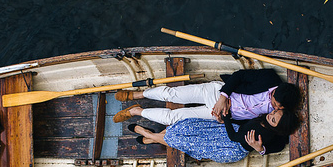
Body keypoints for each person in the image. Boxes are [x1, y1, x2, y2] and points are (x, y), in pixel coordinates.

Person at [113, 68, 301, 125]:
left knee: (174, 118)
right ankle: (137, 94)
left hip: (221, 114)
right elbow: (239, 76)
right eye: (274, 100)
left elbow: (252, 123)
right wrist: (223, 98)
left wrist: (225, 119)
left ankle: (136, 111)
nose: (273, 106)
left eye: (277, 106)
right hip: (218, 93)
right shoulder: (269, 78)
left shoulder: (279, 112)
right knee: (173, 94)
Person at [129, 108, 299, 163]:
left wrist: (260, 149)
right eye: (274, 112)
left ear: (278, 127)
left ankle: (147, 133)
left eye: (274, 119)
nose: (271, 115)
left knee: (182, 141)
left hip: (229, 146)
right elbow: (242, 125)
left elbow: (234, 137)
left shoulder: (265, 135)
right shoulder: (264, 119)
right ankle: (150, 139)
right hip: (227, 131)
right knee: (186, 127)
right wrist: (226, 120)